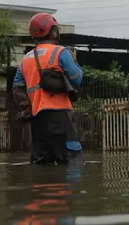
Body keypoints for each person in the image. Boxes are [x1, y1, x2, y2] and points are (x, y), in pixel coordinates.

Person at [12, 13, 83, 164]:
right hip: (61, 115)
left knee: (41, 164)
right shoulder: (61, 52)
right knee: (71, 160)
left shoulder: (25, 60)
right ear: (52, 32)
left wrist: (26, 108)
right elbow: (77, 77)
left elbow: (17, 88)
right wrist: (74, 60)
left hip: (37, 118)